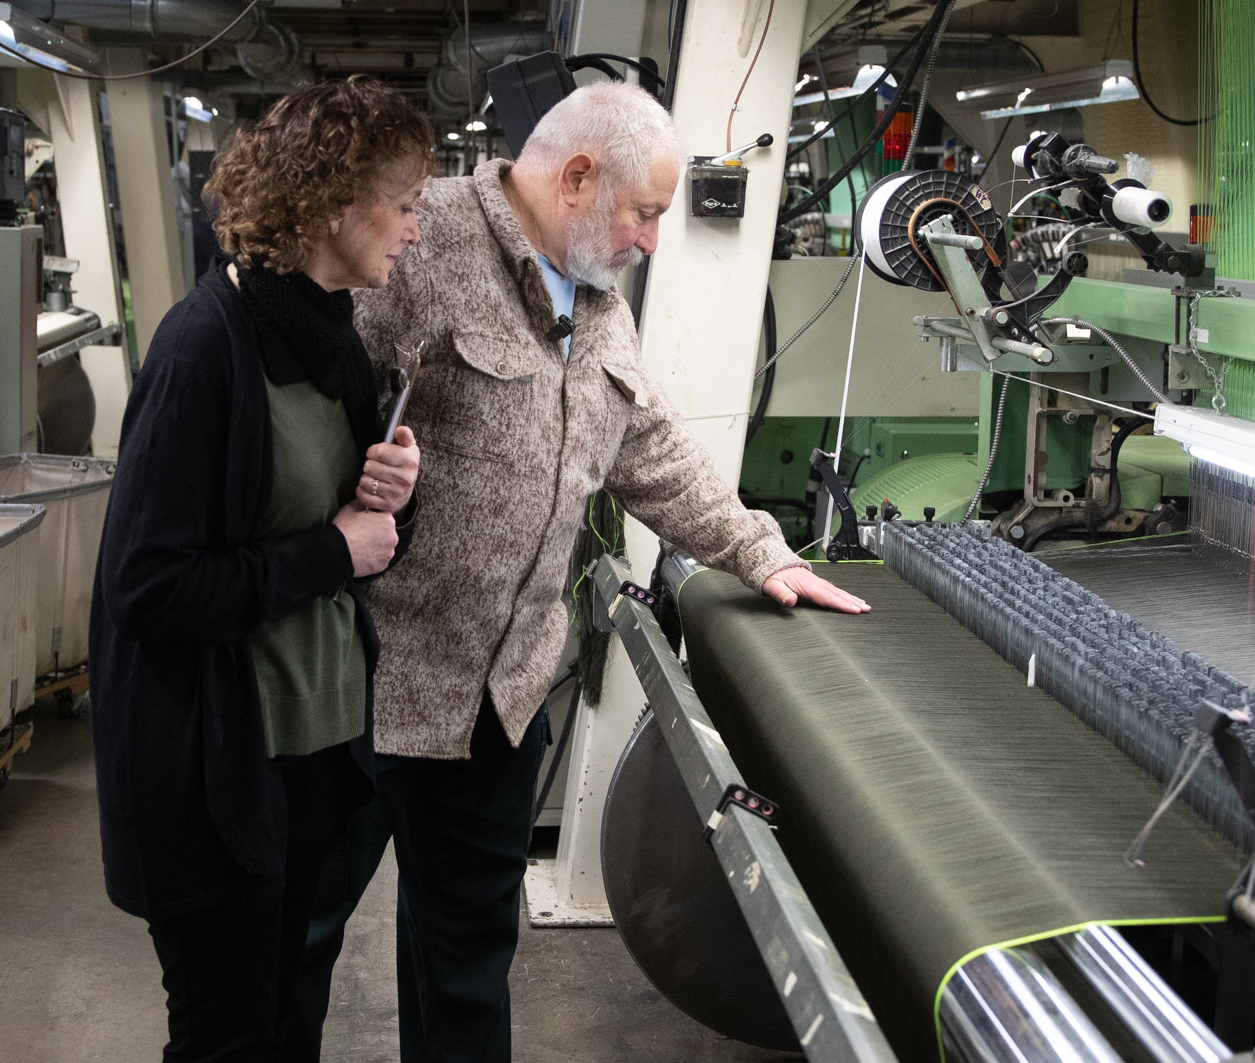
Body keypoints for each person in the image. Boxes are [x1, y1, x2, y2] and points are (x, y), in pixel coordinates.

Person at [293, 81, 869, 1062]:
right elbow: (300, 408)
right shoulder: (416, 242)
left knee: (466, 965)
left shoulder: (597, 297)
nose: (651, 238)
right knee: (295, 941)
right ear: (575, 178)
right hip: (365, 683)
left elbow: (646, 444)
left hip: (500, 699)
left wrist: (759, 551)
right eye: (645, 212)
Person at [88, 77, 430, 1062]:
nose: (415, 230)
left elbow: (347, 529)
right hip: (219, 767)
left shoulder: (333, 335)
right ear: (335, 203)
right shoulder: (203, 348)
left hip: (313, 751)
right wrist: (333, 549)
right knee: (227, 1035)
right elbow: (148, 587)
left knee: (286, 1018)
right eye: (403, 204)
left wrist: (391, 491)